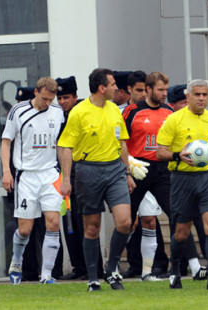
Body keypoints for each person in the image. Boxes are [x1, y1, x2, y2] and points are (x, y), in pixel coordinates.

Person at [123, 72, 207, 282]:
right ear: (149, 89)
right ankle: (113, 268)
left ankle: (195, 267)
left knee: (179, 216)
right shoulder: (132, 111)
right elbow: (120, 141)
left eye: (165, 90)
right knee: (125, 222)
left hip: (163, 170)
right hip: (138, 169)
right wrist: (128, 167)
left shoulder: (169, 111)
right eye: (160, 90)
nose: (163, 94)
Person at [58, 68, 134, 291]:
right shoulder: (79, 112)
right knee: (92, 227)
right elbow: (65, 146)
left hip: (115, 171)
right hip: (88, 171)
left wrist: (128, 173)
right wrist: (66, 180)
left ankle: (112, 269)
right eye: (112, 85)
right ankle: (93, 278)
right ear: (102, 88)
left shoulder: (114, 109)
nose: (116, 89)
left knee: (125, 222)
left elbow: (122, 143)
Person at [156, 79, 208, 290]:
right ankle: (175, 269)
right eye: (197, 94)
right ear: (188, 97)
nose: (201, 98)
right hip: (181, 180)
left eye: (205, 95)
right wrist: (178, 155)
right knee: (181, 232)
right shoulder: (173, 120)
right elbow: (160, 152)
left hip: (207, 178)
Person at [2, 77, 64, 285]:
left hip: (50, 174)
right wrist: (6, 171)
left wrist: (64, 174)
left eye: (51, 99)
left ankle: (46, 274)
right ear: (36, 92)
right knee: (25, 229)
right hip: (26, 175)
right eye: (44, 98)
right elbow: (6, 142)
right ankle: (16, 261)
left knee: (53, 223)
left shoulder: (57, 113)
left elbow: (63, 145)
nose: (47, 103)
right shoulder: (18, 111)